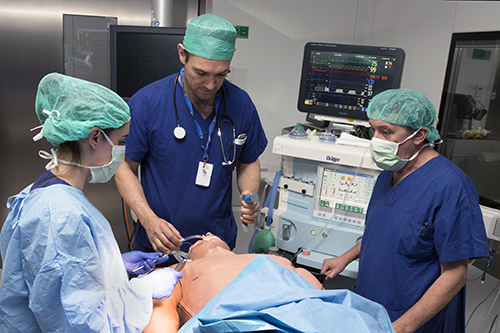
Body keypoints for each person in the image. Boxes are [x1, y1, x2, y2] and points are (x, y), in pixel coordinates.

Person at [0, 73, 183, 333]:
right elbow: (79, 322)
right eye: (120, 141)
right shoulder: (60, 215)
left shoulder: (42, 192)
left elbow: (61, 275)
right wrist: (143, 290)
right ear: (95, 137)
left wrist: (112, 266)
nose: (121, 150)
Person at [320, 89, 490, 333]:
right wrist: (344, 258)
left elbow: (455, 275)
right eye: (373, 130)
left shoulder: (451, 187)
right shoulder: (389, 174)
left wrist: (401, 327)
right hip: (372, 307)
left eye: (386, 131)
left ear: (419, 135)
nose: (375, 139)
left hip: (413, 321)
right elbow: (384, 233)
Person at [114, 13, 267, 255]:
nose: (210, 84)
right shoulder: (148, 103)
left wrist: (249, 192)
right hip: (159, 244)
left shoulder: (241, 104)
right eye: (202, 73)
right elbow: (123, 167)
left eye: (221, 75)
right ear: (182, 54)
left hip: (216, 245)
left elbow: (249, 161)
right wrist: (147, 219)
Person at [143, 233, 396, 333]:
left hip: (310, 315)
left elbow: (313, 291)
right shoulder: (179, 271)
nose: (206, 235)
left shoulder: (268, 259)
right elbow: (161, 319)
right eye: (202, 236)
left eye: (208, 234)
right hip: (252, 320)